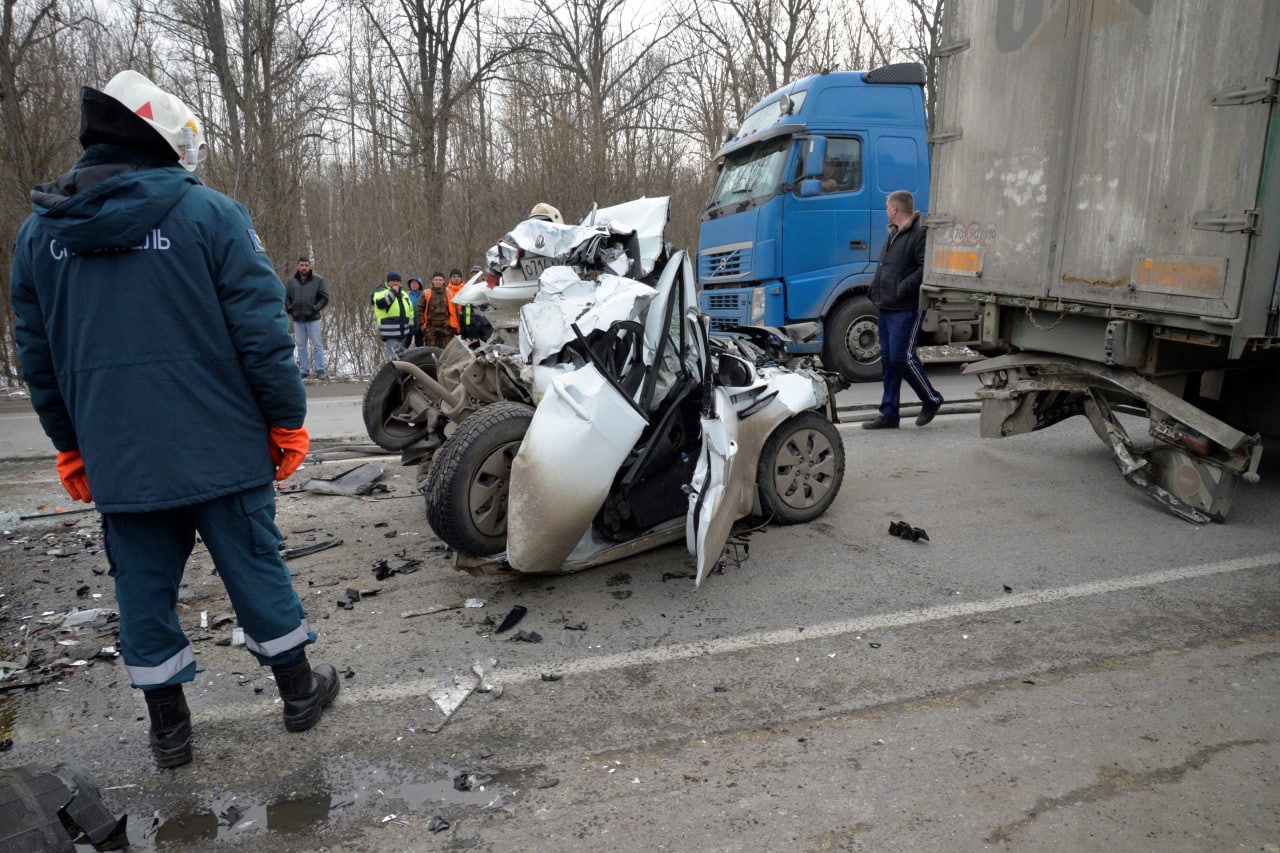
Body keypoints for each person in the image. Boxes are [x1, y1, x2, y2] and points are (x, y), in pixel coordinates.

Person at [9, 70, 340, 769]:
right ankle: (299, 692)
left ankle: (170, 733)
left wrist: (70, 445)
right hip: (222, 446)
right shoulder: (212, 216)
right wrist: (285, 420)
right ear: (161, 138)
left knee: (142, 592)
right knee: (255, 570)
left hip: (120, 458)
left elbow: (37, 358)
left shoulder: (42, 236)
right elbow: (261, 336)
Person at [863, 189, 944, 429]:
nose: (886, 211)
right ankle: (889, 414)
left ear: (895, 209)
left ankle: (931, 398)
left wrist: (900, 289)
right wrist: (874, 288)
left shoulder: (919, 232)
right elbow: (885, 266)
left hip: (906, 306)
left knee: (902, 357)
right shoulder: (894, 233)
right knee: (888, 360)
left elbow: (924, 269)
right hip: (887, 305)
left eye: (887, 207)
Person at [285, 255, 329, 379]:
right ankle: (304, 370)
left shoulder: (318, 280)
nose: (304, 267)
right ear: (297, 266)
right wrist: (290, 309)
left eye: (306, 265)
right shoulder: (291, 281)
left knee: (317, 345)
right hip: (298, 319)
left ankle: (320, 370)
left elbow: (325, 298)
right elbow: (287, 298)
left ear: (309, 266)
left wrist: (315, 308)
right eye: (302, 265)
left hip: (313, 319)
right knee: (301, 346)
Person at [371, 271, 414, 357]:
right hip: (391, 333)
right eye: (393, 281)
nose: (396, 283)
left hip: (404, 333)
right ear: (388, 282)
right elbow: (381, 304)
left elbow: (410, 311)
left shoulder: (404, 293)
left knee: (404, 359)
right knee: (396, 360)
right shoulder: (380, 291)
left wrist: (411, 327)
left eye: (397, 281)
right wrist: (393, 292)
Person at [418, 271, 457, 348]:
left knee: (446, 351)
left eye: (440, 280)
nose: (438, 282)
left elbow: (454, 310)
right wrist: (422, 324)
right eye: (436, 280)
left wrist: (454, 326)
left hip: (446, 328)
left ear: (443, 281)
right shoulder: (426, 293)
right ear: (433, 281)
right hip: (431, 328)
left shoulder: (450, 293)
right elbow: (420, 309)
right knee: (431, 350)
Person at [405, 276, 425, 348]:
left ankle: (419, 359)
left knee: (420, 346)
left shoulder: (424, 295)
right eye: (412, 283)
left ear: (419, 284)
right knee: (404, 345)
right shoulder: (406, 294)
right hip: (409, 323)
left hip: (420, 323)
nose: (413, 284)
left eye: (416, 283)